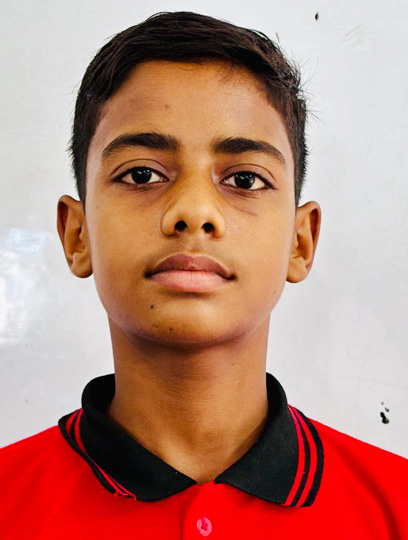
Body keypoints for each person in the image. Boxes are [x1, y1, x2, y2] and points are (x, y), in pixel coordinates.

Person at [1, 11, 407, 539]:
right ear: (77, 235)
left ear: (300, 242)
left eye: (244, 179)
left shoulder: (396, 507)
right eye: (142, 174)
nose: (193, 211)